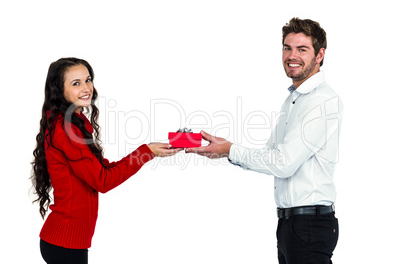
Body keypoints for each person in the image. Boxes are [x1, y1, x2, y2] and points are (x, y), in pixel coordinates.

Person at [186, 17, 343, 263]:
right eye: (287, 48)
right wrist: (226, 150)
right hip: (291, 225)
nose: (292, 55)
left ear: (320, 54)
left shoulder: (320, 101)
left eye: (302, 49)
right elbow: (271, 155)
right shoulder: (294, 100)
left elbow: (283, 163)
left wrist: (231, 149)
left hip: (309, 225)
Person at [31, 57, 182, 264]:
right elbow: (103, 180)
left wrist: (149, 150)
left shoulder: (74, 121)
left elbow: (99, 169)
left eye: (88, 80)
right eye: (76, 83)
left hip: (68, 240)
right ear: (59, 89)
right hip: (64, 244)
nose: (86, 88)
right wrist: (145, 152)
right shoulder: (65, 130)